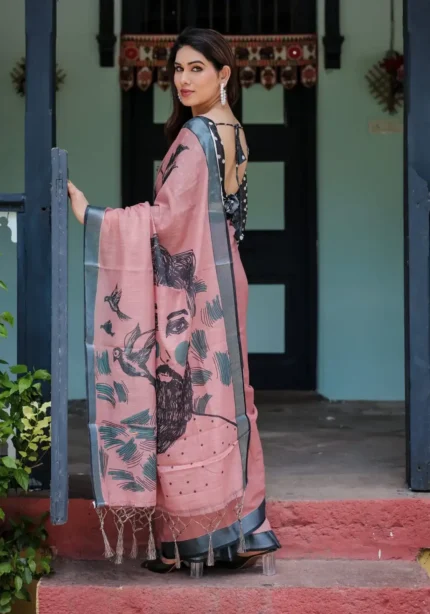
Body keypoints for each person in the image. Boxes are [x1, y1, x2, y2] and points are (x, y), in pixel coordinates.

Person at [68, 26, 280, 577]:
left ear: (224, 74)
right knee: (227, 396)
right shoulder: (232, 131)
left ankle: (180, 542)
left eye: (197, 69)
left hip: (198, 286)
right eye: (178, 70)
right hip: (225, 277)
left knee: (181, 403)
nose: (184, 80)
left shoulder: (196, 138)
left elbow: (163, 223)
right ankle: (245, 528)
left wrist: (93, 217)